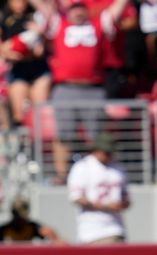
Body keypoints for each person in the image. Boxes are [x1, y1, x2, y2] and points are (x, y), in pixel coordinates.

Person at [39, 0, 131, 183]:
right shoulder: (59, 24)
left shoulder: (98, 25)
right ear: (68, 12)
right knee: (63, 134)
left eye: (81, 8)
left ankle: (95, 176)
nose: (78, 12)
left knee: (96, 136)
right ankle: (62, 175)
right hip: (65, 88)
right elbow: (41, 6)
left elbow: (117, 8)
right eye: (74, 9)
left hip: (93, 89)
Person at [67, 132, 130, 244]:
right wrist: (104, 206)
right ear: (97, 150)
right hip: (91, 230)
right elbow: (77, 198)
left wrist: (120, 204)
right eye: (106, 152)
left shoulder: (118, 168)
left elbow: (127, 199)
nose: (109, 156)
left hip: (116, 228)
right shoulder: (83, 167)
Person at [0, 0, 50, 128]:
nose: (20, 4)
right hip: (18, 70)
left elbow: (41, 49)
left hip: (38, 67)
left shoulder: (35, 18)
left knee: (39, 111)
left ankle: (37, 142)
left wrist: (40, 35)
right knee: (19, 113)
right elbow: (3, 48)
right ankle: (22, 143)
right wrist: (10, 53)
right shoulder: (5, 20)